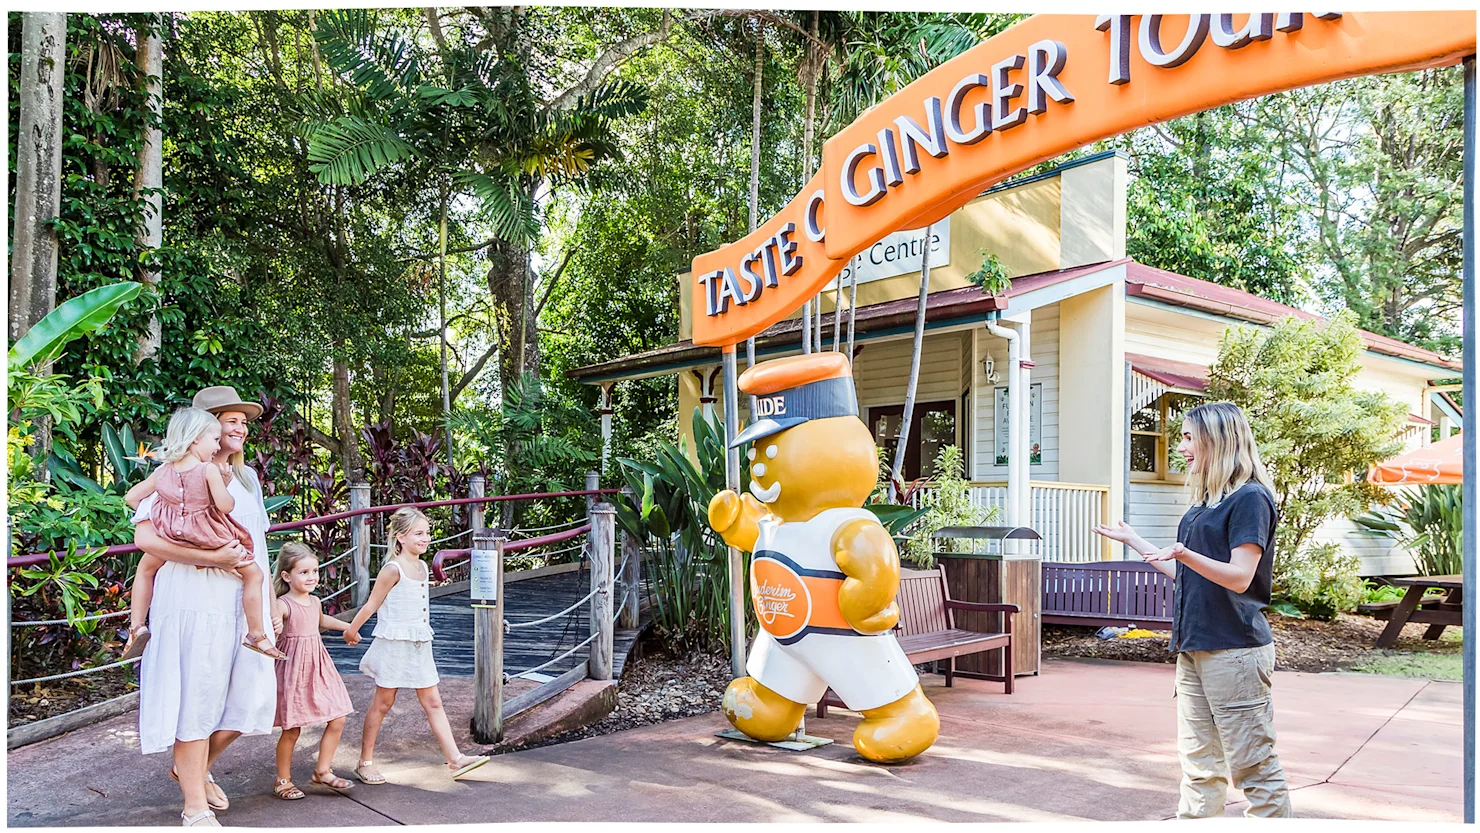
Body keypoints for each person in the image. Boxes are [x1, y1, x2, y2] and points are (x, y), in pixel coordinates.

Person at [1093, 401, 1292, 819]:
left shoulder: (1251, 499)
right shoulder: (1206, 502)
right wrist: (1138, 543)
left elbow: (1239, 576)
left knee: (1254, 766)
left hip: (1234, 649)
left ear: (1216, 440)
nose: (1180, 447)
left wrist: (1185, 553)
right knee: (1199, 766)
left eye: (1187, 437)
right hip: (1195, 645)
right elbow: (1186, 573)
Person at [132, 386, 279, 827]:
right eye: (230, 421)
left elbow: (261, 549)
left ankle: (194, 768)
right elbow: (146, 541)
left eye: (244, 422)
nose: (239, 429)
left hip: (244, 603)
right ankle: (194, 804)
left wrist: (272, 602)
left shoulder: (247, 478)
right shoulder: (176, 473)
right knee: (195, 698)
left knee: (251, 699)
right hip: (195, 599)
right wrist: (213, 558)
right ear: (204, 427)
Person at [123, 407, 284, 662]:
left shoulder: (164, 471)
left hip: (174, 533)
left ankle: (136, 626)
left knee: (145, 570)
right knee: (255, 574)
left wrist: (168, 513)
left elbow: (131, 498)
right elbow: (225, 506)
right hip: (207, 536)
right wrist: (225, 484)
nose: (216, 444)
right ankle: (256, 633)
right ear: (197, 438)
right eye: (215, 438)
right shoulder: (208, 470)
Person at [343, 507, 489, 783]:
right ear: (400, 537)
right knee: (383, 702)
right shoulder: (392, 569)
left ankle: (455, 759)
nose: (426, 538)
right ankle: (365, 762)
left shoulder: (422, 566)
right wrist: (351, 631)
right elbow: (372, 605)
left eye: (427, 533)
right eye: (418, 533)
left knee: (433, 700)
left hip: (420, 642)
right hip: (395, 644)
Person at [269, 542, 355, 800]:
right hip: (293, 669)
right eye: (303, 572)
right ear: (286, 576)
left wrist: (346, 627)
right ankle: (282, 780)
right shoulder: (283, 605)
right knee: (292, 728)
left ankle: (322, 770)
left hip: (318, 666)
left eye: (315, 571)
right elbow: (268, 620)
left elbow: (320, 621)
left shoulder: (315, 601)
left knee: (338, 715)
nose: (312, 577)